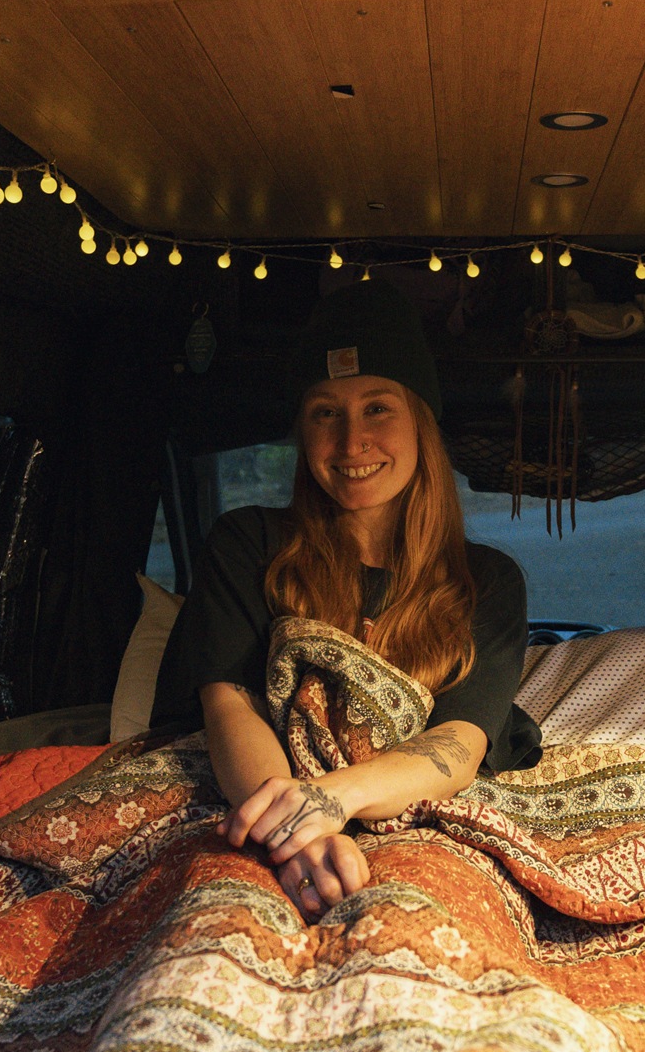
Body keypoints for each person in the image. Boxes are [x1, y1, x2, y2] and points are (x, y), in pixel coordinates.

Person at [150, 283, 541, 919]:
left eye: (378, 408)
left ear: (421, 422)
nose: (352, 441)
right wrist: (302, 837)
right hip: (253, 803)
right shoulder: (248, 544)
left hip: (401, 817)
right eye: (325, 413)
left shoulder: (487, 582)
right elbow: (229, 704)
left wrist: (331, 800)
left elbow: (459, 744)